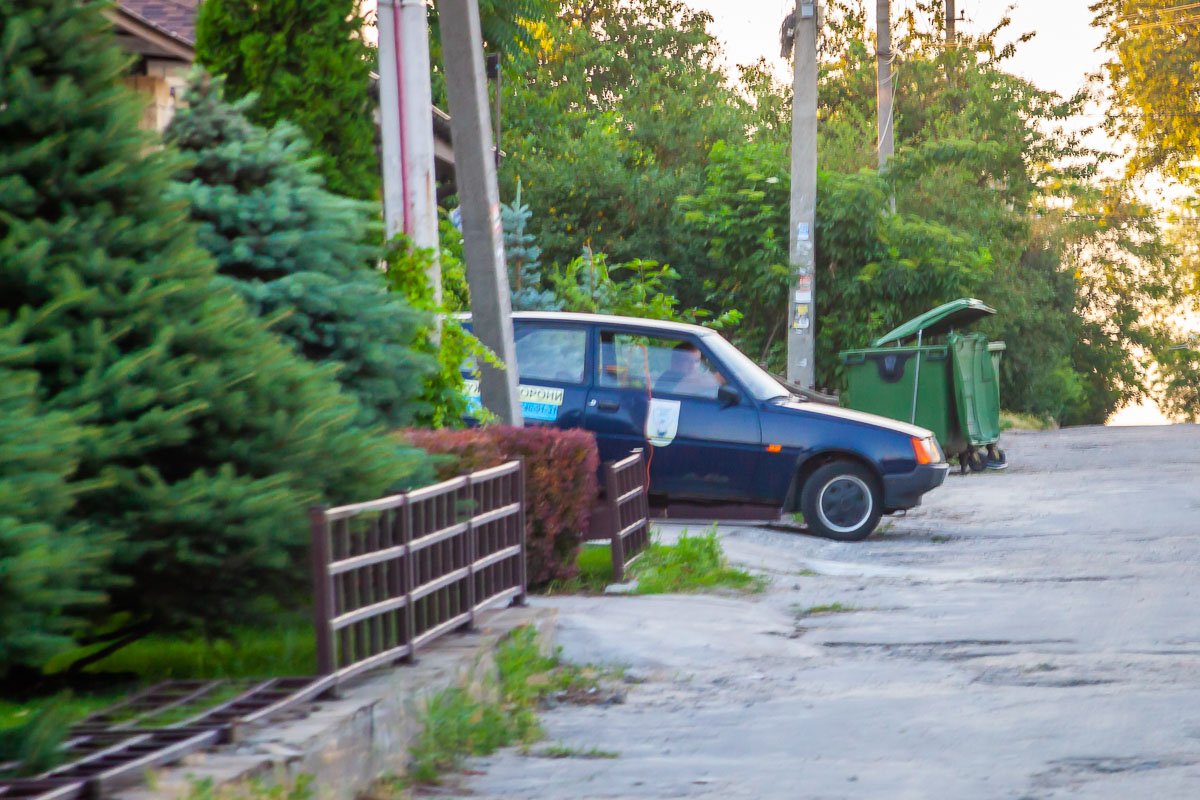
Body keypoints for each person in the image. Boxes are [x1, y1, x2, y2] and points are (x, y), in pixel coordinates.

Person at [656, 341, 723, 398]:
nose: (693, 366)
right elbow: (719, 379)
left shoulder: (695, 376)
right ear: (675, 362)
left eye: (696, 361)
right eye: (687, 361)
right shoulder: (668, 380)